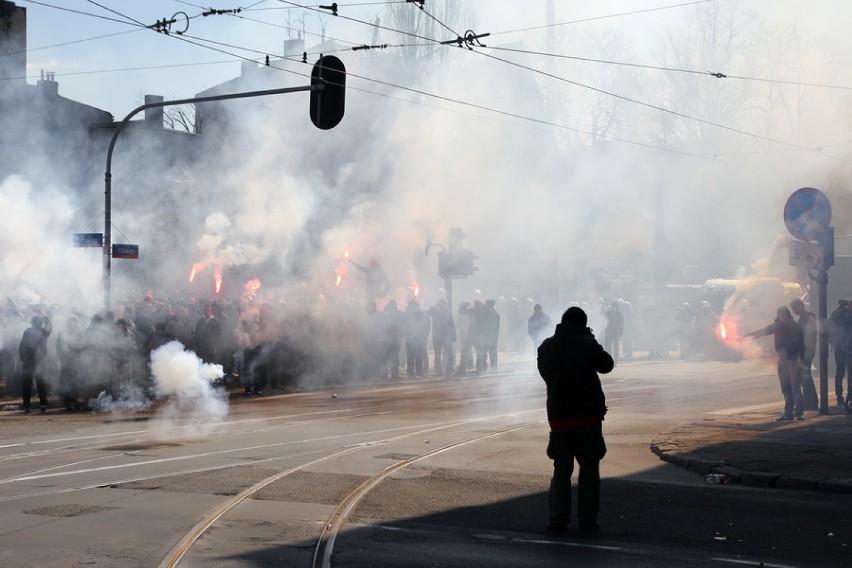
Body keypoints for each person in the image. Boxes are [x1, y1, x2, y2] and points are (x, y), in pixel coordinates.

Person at [537, 306, 614, 533]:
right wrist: (591, 339)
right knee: (589, 470)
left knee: (561, 470)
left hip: (559, 418)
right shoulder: (588, 344)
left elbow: (545, 374)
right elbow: (607, 365)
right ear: (583, 325)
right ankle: (587, 520)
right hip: (587, 418)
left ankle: (557, 519)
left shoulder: (546, 346)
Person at [741, 306, 805, 421]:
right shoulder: (777, 326)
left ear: (787, 314)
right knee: (785, 387)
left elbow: (801, 344)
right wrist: (745, 338)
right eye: (780, 314)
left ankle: (799, 412)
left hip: (793, 359)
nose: (781, 316)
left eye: (783, 314)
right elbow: (762, 331)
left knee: (795, 386)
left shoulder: (795, 326)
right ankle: (788, 412)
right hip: (782, 358)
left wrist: (800, 359)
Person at [18, 314, 53, 413]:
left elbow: (21, 347)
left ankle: (27, 406)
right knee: (40, 384)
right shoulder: (43, 332)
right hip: (39, 362)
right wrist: (46, 316)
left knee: (27, 385)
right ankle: (43, 405)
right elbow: (50, 326)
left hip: (29, 362)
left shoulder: (27, 331)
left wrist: (24, 359)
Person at [789, 299, 818, 411]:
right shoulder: (805, 318)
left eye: (794, 309)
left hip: (806, 352)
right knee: (805, 377)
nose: (794, 311)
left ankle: (811, 402)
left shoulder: (808, 318)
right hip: (806, 351)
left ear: (800, 307)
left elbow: (806, 336)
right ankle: (811, 401)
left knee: (805, 376)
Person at [829, 299, 850, 407]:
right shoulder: (846, 315)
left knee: (840, 372)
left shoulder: (835, 313)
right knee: (849, 372)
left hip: (838, 346)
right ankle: (848, 397)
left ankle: (839, 397)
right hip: (846, 347)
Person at [427, 298, 456, 376]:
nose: (441, 305)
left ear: (445, 305)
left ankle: (449, 369)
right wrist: (435, 306)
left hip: (447, 336)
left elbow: (452, 324)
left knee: (450, 353)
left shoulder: (448, 312)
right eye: (439, 304)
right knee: (437, 354)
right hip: (437, 337)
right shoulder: (435, 312)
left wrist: (453, 336)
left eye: (442, 304)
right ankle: (438, 371)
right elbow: (428, 312)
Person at [482, 299, 501, 373]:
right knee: (493, 353)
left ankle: (484, 368)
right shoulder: (496, 314)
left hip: (487, 336)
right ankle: (494, 368)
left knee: (484, 353)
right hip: (493, 337)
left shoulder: (487, 314)